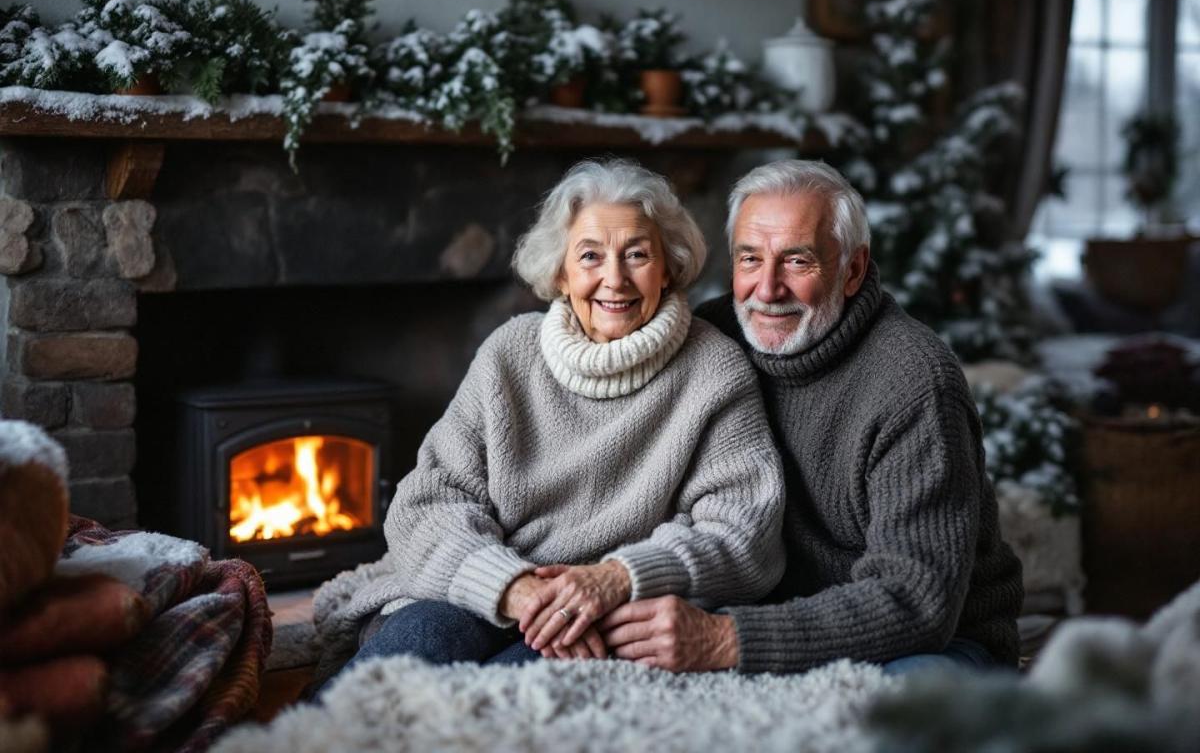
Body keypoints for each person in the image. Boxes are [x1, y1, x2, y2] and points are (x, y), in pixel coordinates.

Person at [311, 159, 785, 682]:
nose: (615, 278)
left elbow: (745, 531)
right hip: (488, 586)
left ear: (668, 267)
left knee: (510, 690)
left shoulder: (714, 370)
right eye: (590, 256)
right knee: (413, 646)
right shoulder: (510, 354)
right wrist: (514, 588)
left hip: (608, 613)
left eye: (637, 254)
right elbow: (427, 504)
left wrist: (617, 577)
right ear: (561, 271)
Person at [599, 159, 1024, 676]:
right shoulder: (707, 339)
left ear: (852, 270)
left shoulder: (915, 381)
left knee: (897, 714)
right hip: (759, 615)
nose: (768, 289)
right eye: (750, 259)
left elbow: (917, 602)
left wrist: (725, 639)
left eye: (797, 262)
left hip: (931, 642)